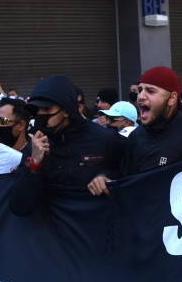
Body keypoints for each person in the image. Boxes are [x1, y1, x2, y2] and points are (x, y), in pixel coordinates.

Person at [9, 75, 126, 213]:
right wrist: (34, 164)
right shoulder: (35, 147)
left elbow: (129, 179)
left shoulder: (106, 139)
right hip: (50, 231)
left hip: (95, 227)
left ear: (66, 110)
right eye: (37, 110)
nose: (41, 116)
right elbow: (20, 207)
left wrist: (107, 177)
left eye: (47, 110)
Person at [95, 66, 182, 187]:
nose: (141, 96)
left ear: (172, 98)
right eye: (140, 90)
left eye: (150, 91)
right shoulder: (136, 136)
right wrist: (104, 177)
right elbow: (124, 176)